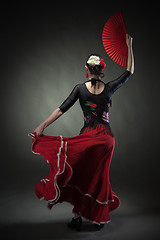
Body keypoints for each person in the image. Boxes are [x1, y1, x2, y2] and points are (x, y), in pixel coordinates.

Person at [29, 34, 134, 231]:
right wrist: (129, 45)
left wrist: (42, 126)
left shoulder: (79, 89)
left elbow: (60, 110)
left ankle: (77, 218)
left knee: (79, 175)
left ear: (86, 69)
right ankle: (98, 220)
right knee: (100, 178)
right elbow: (129, 71)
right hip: (107, 140)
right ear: (102, 70)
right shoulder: (110, 87)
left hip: (87, 137)